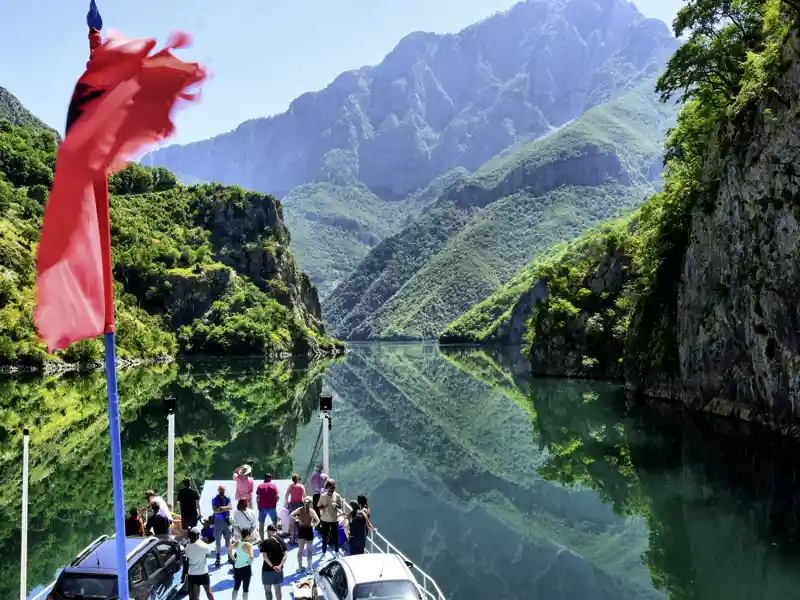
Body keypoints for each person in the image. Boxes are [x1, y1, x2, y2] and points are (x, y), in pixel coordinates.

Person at [317, 479, 347, 556]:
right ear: (327, 487)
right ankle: (323, 552)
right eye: (331, 488)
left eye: (334, 488)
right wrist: (324, 507)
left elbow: (340, 506)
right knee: (325, 537)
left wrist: (337, 505)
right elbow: (319, 507)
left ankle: (336, 551)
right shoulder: (323, 496)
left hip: (334, 519)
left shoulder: (337, 496)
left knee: (335, 536)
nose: (332, 489)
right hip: (325, 520)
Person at [184, 526, 215, 600]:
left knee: (195, 596)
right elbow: (208, 554)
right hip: (203, 573)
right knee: (209, 593)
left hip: (192, 574)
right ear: (198, 535)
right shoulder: (203, 546)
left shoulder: (187, 547)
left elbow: (187, 557)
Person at [290, 496, 320, 571]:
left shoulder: (299, 510)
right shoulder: (312, 511)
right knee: (309, 551)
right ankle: (309, 568)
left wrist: (297, 518)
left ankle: (300, 568)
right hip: (309, 531)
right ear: (310, 504)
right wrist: (313, 525)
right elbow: (318, 521)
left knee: (300, 550)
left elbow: (291, 515)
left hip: (301, 530)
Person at [260, 523, 287, 600]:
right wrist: (279, 566)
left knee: (267, 590)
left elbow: (265, 557)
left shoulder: (266, 542)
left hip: (267, 569)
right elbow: (285, 555)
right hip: (278, 570)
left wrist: (272, 566)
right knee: (277, 589)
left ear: (269, 531)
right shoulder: (282, 540)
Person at [229, 528, 255, 600]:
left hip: (237, 567)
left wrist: (233, 558)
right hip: (246, 568)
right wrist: (249, 563)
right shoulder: (249, 545)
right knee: (245, 588)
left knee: (236, 586)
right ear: (247, 536)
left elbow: (229, 548)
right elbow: (252, 557)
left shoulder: (237, 542)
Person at [211, 485, 233, 567]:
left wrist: (220, 508)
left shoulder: (227, 498)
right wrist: (225, 508)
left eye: (223, 490)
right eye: (220, 490)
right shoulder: (214, 498)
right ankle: (218, 557)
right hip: (218, 522)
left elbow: (230, 507)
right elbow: (214, 510)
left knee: (228, 539)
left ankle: (230, 556)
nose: (222, 491)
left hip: (226, 521)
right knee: (218, 540)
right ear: (218, 490)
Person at [256, 473, 280, 541]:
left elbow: (258, 497)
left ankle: (262, 541)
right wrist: (275, 503)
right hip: (272, 507)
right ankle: (273, 539)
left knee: (261, 524)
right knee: (274, 523)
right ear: (271, 478)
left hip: (262, 508)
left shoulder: (260, 486)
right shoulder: (273, 486)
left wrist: (258, 506)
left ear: (264, 478)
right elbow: (277, 497)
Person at [284, 474, 306, 544]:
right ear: (298, 479)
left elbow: (286, 495)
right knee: (301, 522)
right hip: (299, 505)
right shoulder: (301, 486)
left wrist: (287, 503)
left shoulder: (290, 486)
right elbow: (304, 497)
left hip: (292, 505)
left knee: (292, 522)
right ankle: (301, 538)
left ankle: (292, 539)